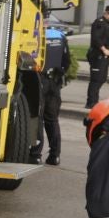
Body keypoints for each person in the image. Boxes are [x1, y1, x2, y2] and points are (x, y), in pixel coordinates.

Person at [37, 23, 70, 165]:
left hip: (40, 80)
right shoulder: (60, 35)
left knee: (37, 117)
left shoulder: (36, 34)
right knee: (52, 120)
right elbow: (67, 62)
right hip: (55, 81)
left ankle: (35, 154)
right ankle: (55, 155)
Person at [85, 3, 109, 108]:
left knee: (102, 79)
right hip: (97, 55)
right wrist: (103, 49)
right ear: (105, 13)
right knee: (96, 79)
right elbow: (96, 38)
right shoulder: (99, 23)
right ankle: (91, 102)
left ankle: (94, 100)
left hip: (107, 55)